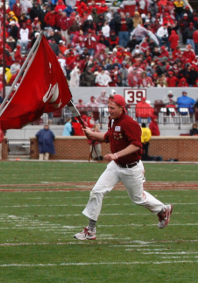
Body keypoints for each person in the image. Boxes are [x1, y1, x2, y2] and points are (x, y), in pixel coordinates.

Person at [74, 95, 173, 241]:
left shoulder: (129, 123)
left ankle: (163, 209)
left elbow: (136, 145)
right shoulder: (113, 121)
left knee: (138, 199)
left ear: (122, 108)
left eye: (112, 108)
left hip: (131, 167)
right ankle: (91, 230)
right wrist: (91, 133)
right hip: (116, 166)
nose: (109, 110)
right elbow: (107, 137)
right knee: (96, 191)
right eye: (108, 107)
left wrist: (116, 154)